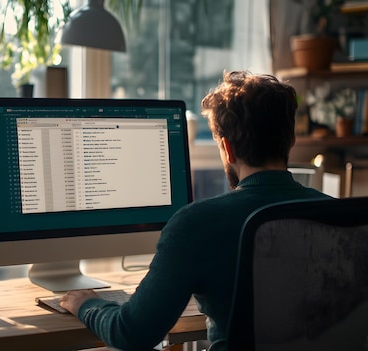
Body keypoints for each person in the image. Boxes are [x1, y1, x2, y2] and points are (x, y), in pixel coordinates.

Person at [60, 71, 333, 350]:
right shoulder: (340, 215)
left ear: (227, 149)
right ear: (290, 141)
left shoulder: (198, 224)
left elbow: (130, 334)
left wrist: (86, 304)